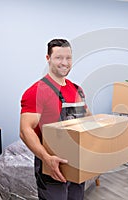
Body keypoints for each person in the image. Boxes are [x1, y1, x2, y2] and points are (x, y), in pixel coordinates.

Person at [20, 39, 91, 200]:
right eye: (59, 57)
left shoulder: (77, 90)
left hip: (76, 161)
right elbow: (25, 131)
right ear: (48, 58)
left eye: (68, 58)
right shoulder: (36, 91)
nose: (64, 63)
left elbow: (88, 118)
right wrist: (46, 158)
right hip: (51, 164)